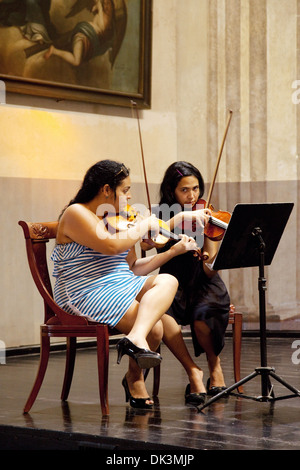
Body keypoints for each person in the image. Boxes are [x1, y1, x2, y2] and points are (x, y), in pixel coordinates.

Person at [51, 159, 199, 409]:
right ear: (106, 189)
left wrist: (172, 252)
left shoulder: (118, 218)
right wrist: (144, 225)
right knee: (156, 329)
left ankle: (135, 339)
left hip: (121, 283)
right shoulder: (76, 213)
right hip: (85, 291)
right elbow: (110, 245)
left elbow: (133, 267)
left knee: (167, 279)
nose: (130, 196)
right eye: (126, 190)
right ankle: (134, 377)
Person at [142, 161, 230, 403]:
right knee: (162, 316)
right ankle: (193, 371)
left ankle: (215, 365)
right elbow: (149, 242)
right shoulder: (160, 215)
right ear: (172, 191)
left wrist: (209, 260)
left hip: (203, 282)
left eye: (196, 188)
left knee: (204, 316)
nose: (192, 196)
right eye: (185, 190)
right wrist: (179, 218)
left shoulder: (207, 214)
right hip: (171, 281)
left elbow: (210, 268)